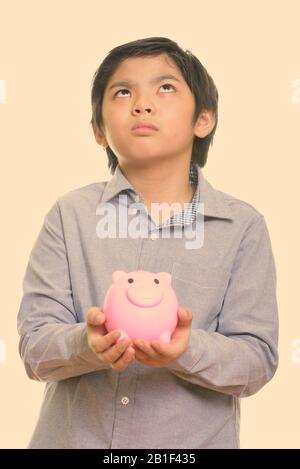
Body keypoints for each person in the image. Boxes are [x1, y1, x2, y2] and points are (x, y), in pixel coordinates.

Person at [17, 37, 279, 449]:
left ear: (203, 120)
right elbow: (34, 348)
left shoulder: (241, 226)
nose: (142, 104)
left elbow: (257, 360)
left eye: (165, 88)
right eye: (123, 92)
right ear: (98, 131)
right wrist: (85, 344)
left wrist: (186, 349)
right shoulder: (70, 215)